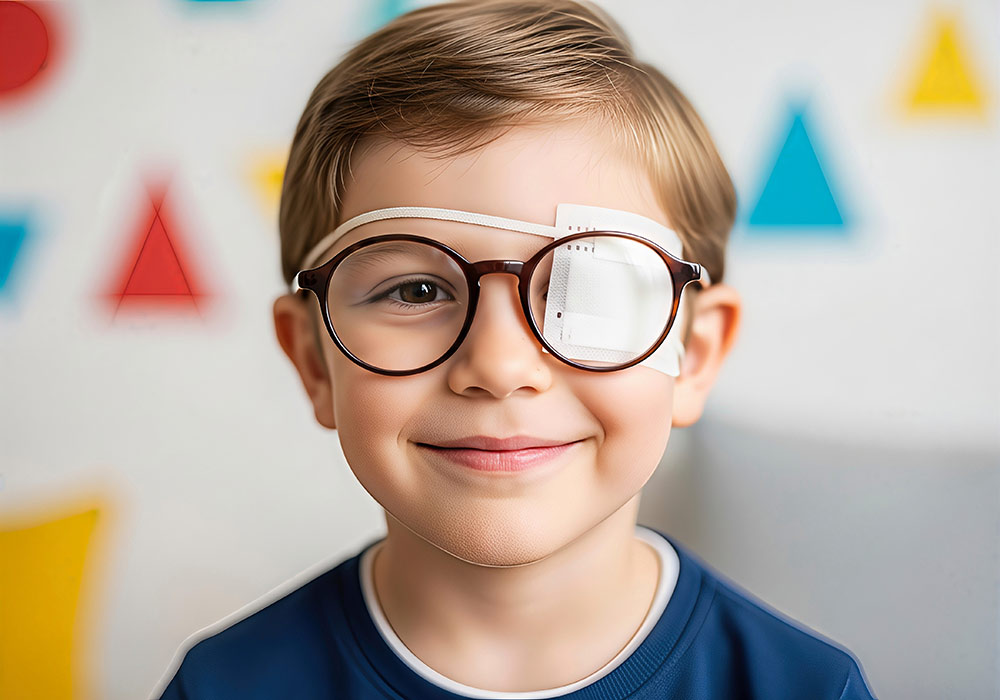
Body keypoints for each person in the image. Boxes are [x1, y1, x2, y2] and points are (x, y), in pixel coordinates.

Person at [153, 1, 878, 698]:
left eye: (586, 291)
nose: (499, 368)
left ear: (695, 354)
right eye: (415, 292)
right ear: (313, 359)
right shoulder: (223, 688)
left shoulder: (806, 689)